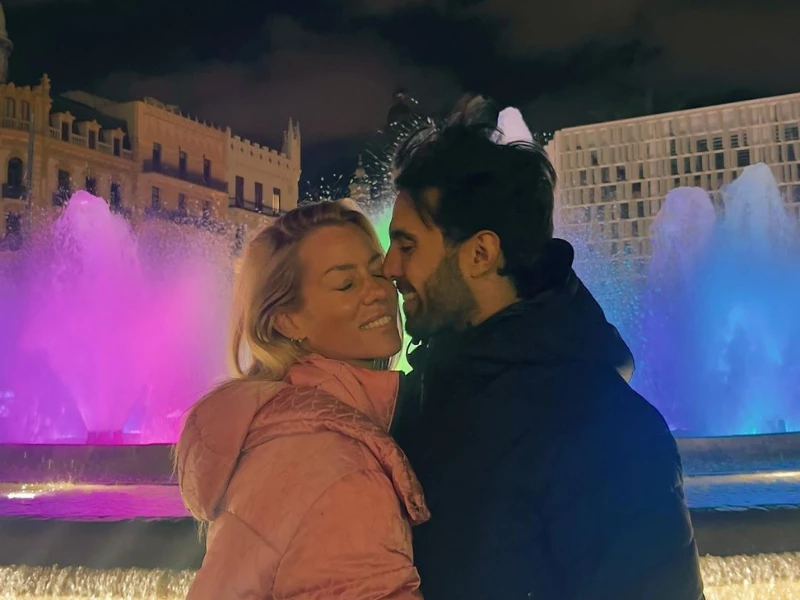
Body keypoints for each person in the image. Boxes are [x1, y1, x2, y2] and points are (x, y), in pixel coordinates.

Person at [383, 98, 705, 600]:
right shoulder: (421, 396)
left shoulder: (606, 435)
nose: (388, 267)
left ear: (480, 253)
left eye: (406, 246)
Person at [176, 200, 429, 600]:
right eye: (346, 284)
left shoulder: (288, 430)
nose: (378, 292)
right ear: (287, 321)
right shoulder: (343, 470)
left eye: (377, 271)